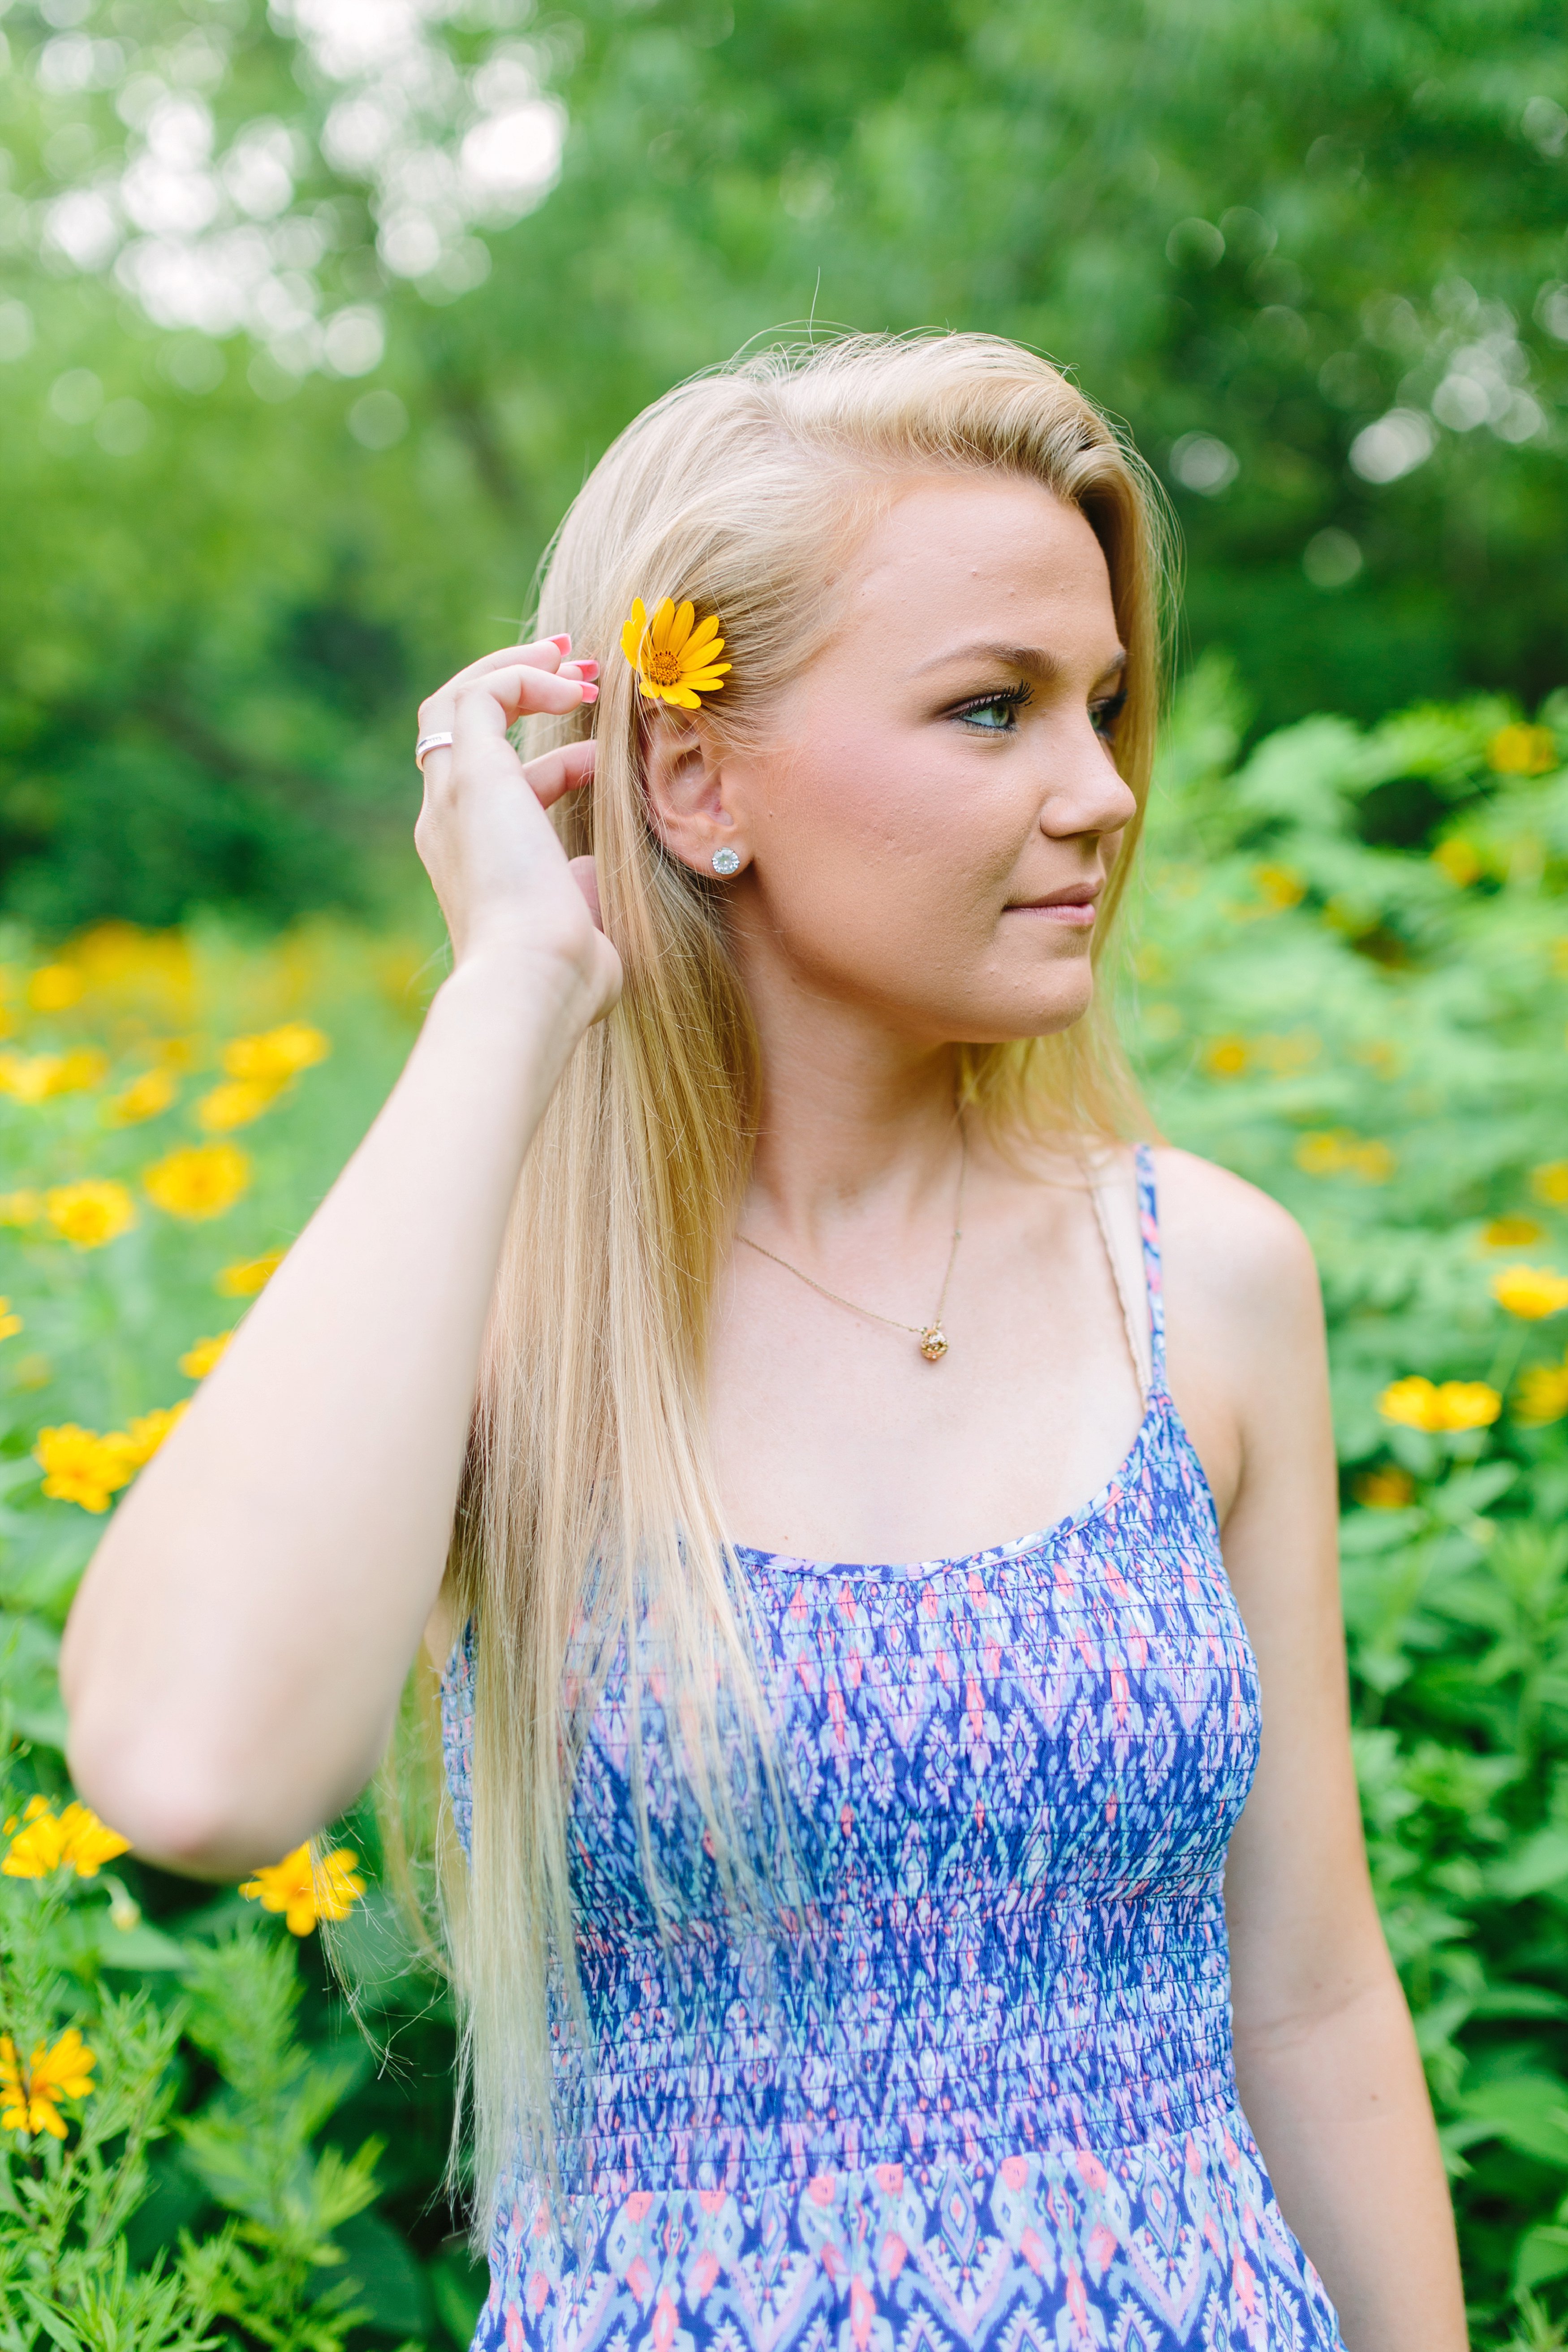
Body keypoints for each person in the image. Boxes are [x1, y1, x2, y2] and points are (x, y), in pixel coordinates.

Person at [61, 333, 1466, 2352]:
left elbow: (1308, 1990)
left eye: (1097, 702)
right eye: (990, 708)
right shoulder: (497, 1306)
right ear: (695, 775)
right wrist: (510, 994)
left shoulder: (1200, 1279)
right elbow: (194, 1772)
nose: (1100, 788)